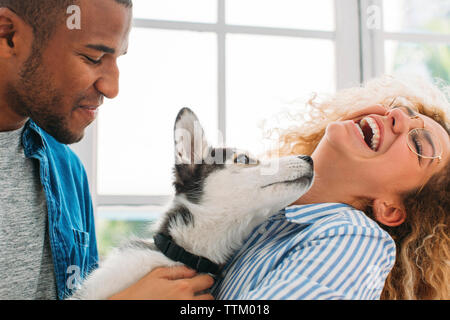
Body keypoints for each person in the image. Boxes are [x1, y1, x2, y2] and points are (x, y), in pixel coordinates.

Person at [0, 0, 213, 299]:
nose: (112, 88)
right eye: (92, 57)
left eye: (117, 59)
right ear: (8, 35)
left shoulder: (67, 173)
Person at [213, 75, 450, 300]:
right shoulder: (257, 208)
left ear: (390, 209)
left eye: (419, 143)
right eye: (403, 108)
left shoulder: (356, 239)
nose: (397, 114)